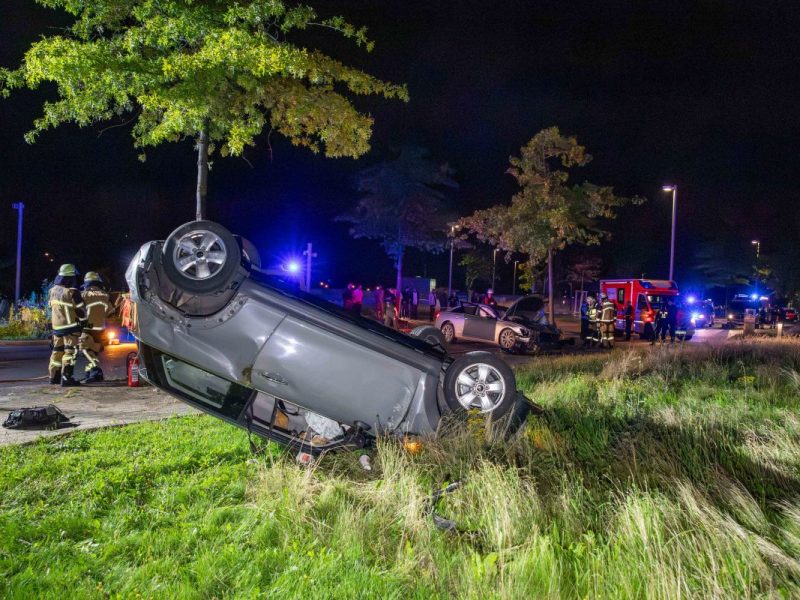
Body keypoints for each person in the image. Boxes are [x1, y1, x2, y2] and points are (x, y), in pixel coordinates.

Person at [48, 263, 86, 387]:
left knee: (56, 352)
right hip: (70, 327)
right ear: (70, 278)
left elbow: (51, 308)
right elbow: (81, 311)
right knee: (70, 352)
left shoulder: (52, 291)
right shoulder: (72, 292)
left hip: (56, 328)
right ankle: (66, 378)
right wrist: (84, 321)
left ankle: (53, 377)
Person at [78, 271, 114, 383]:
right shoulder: (105, 296)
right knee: (93, 352)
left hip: (88, 327)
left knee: (85, 350)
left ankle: (96, 372)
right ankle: (90, 374)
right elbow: (110, 312)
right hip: (100, 328)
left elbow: (79, 311)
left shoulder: (84, 295)